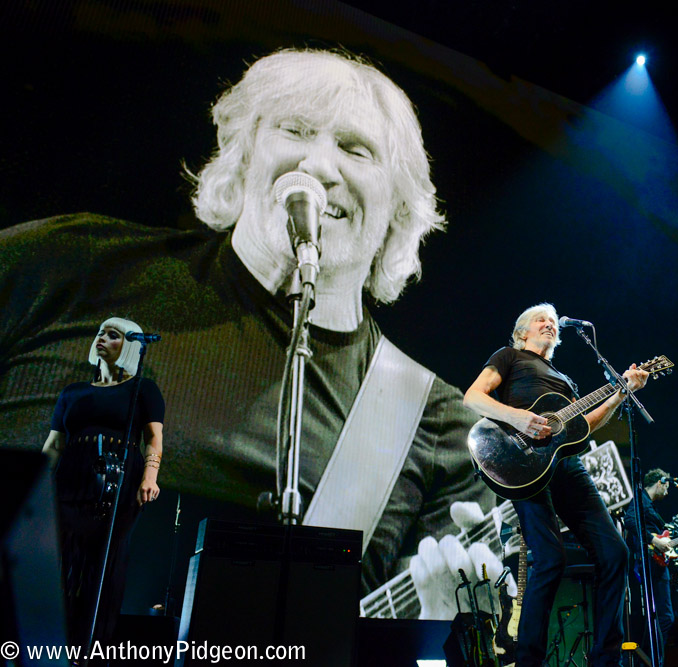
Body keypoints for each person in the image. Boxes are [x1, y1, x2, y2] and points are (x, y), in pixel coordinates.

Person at [0, 48, 493, 617]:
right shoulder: (64, 265)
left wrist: (439, 632)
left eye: (356, 150)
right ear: (242, 156)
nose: (321, 167)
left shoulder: (431, 425)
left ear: (398, 209)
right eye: (296, 129)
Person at [463, 303, 650, 667]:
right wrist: (519, 418)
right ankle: (529, 661)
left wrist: (622, 390)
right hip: (522, 466)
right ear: (522, 333)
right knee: (550, 558)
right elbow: (473, 397)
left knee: (616, 553)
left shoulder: (565, 382)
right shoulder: (509, 357)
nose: (549, 324)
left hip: (567, 465)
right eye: (540, 320)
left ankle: (605, 659)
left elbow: (584, 426)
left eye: (552, 322)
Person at [41, 317, 165, 648]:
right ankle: (52, 640)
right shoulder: (72, 392)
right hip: (70, 481)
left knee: (103, 561)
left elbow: (154, 439)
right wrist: (35, 488)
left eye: (113, 335)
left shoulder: (143, 389)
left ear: (129, 347)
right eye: (101, 333)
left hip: (117, 481)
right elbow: (54, 445)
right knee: (62, 559)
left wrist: (149, 477)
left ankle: (92, 643)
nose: (102, 338)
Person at [624, 469, 678, 665]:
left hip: (655, 563)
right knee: (666, 617)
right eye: (667, 487)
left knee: (658, 618)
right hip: (651, 565)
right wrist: (654, 539)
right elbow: (629, 521)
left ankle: (648, 660)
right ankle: (657, 661)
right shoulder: (640, 499)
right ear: (660, 482)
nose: (667, 493)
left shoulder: (647, 504)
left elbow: (663, 544)